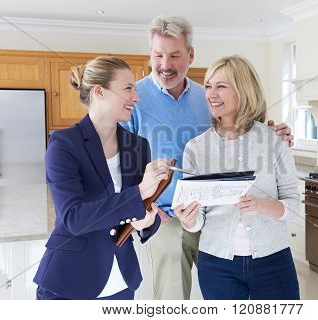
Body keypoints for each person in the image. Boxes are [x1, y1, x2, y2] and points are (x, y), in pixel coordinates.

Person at [120, 15, 295, 300]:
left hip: (217, 217)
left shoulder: (207, 96)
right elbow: (121, 166)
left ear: (190, 55)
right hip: (166, 218)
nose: (165, 65)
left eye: (175, 55)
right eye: (158, 55)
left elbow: (247, 133)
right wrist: (149, 209)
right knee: (173, 301)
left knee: (220, 296)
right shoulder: (134, 98)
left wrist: (277, 133)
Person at [34, 56, 170, 300]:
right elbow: (74, 218)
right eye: (128, 89)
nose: (136, 98)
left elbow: (142, 209)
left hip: (122, 283)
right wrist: (139, 192)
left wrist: (148, 221)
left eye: (135, 90)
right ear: (100, 91)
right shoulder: (64, 145)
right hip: (68, 283)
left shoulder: (138, 146)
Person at [174, 55, 300, 300]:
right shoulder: (195, 149)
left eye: (221, 86)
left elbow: (294, 206)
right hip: (217, 265)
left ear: (243, 90)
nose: (211, 94)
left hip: (274, 261)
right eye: (208, 86)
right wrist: (188, 220)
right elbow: (197, 220)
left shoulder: (274, 140)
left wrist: (262, 205)